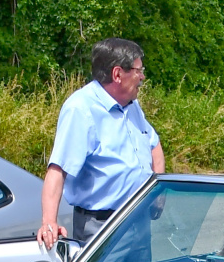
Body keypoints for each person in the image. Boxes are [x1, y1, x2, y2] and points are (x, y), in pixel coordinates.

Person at [38, 38, 164, 247]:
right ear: (117, 74)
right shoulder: (81, 108)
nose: (142, 77)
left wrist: (157, 193)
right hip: (102, 227)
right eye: (138, 71)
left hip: (138, 222)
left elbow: (153, 144)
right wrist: (49, 222)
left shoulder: (131, 105)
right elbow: (58, 169)